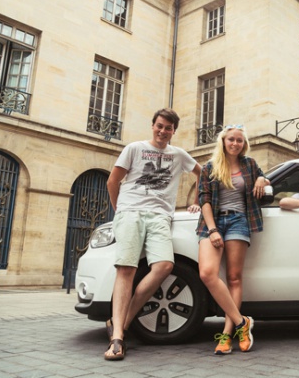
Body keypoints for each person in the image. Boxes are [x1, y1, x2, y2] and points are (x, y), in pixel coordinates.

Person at [104, 108, 202, 361]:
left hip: (160, 216)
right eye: (159, 126)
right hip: (131, 213)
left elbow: (203, 175)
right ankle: (117, 339)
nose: (163, 131)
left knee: (164, 265)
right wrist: (120, 211)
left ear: (173, 131)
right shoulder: (134, 148)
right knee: (126, 269)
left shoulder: (178, 155)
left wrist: (198, 201)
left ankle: (120, 323)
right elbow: (112, 182)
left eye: (168, 128)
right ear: (153, 125)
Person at [196, 125, 269, 355]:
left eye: (239, 140)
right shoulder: (209, 167)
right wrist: (213, 229)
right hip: (213, 222)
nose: (235, 143)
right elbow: (204, 199)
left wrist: (262, 180)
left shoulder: (250, 165)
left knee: (234, 278)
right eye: (231, 140)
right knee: (207, 273)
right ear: (223, 141)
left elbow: (264, 180)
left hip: (239, 221)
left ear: (243, 144)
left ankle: (226, 335)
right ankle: (242, 323)